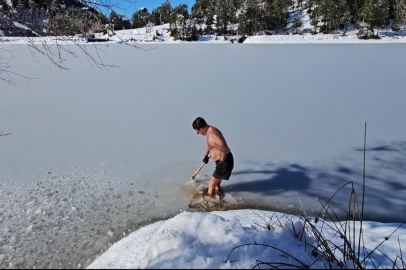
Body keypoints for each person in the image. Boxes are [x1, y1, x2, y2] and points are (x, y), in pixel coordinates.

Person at [192, 117, 234, 197]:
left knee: (211, 184)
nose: (199, 134)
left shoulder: (213, 133)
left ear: (201, 129)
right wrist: (206, 155)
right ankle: (220, 197)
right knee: (216, 185)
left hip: (224, 161)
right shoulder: (209, 132)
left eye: (198, 132)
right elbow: (209, 144)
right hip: (221, 162)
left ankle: (210, 205)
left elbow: (224, 148)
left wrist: (221, 163)